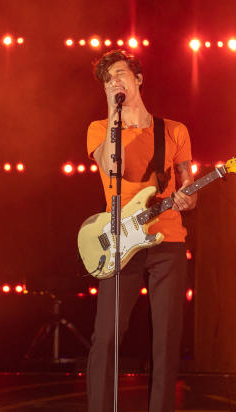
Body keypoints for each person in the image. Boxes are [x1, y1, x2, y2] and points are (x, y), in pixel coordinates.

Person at [85, 49, 197, 412]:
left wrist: (186, 199)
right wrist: (112, 111)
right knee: (107, 336)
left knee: (166, 340)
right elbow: (110, 163)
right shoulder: (100, 129)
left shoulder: (175, 131)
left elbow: (188, 189)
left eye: (119, 74)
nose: (114, 81)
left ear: (138, 78)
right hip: (119, 243)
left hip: (169, 243)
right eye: (107, 79)